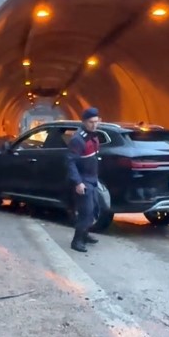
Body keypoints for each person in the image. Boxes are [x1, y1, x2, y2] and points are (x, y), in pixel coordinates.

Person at [66, 107, 102, 252]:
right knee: (86, 212)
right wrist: (78, 182)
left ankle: (85, 234)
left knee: (93, 210)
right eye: (90, 122)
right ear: (84, 122)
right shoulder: (78, 139)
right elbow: (70, 162)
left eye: (96, 122)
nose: (94, 125)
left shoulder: (93, 136)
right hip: (83, 180)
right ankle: (77, 241)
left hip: (92, 179)